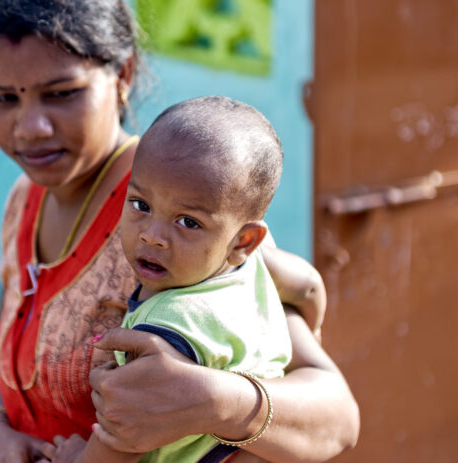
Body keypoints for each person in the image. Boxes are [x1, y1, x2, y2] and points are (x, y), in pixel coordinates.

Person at [0, 1, 359, 462]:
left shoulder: (186, 219)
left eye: (60, 93)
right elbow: (1, 356)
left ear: (123, 74)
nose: (31, 127)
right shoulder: (25, 199)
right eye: (2, 98)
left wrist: (217, 401)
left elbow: (337, 418)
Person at [50, 95, 309, 463]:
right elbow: (310, 288)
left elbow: (122, 436)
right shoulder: (251, 272)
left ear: (244, 241)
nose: (152, 235)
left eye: (188, 222)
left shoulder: (167, 325)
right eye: (141, 205)